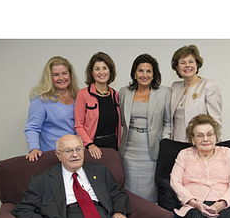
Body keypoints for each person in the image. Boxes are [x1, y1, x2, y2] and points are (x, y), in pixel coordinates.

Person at [11, 134, 139, 218]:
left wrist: (118, 211)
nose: (75, 155)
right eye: (68, 151)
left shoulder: (100, 171)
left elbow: (117, 194)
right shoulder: (42, 180)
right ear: (58, 155)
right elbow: (23, 209)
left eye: (79, 149)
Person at [170, 114, 230, 218]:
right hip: (194, 205)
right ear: (193, 140)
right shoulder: (184, 154)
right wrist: (195, 203)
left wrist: (222, 203)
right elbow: (174, 181)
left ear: (216, 137)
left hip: (226, 203)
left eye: (209, 134)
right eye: (200, 135)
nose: (205, 139)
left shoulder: (227, 153)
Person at [119, 54, 171, 203]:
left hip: (152, 151)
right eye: (140, 71)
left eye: (148, 71)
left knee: (150, 192)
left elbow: (168, 122)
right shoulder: (124, 92)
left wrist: (163, 143)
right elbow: (122, 121)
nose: (144, 75)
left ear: (154, 74)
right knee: (129, 190)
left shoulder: (164, 93)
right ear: (134, 73)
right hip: (129, 150)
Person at [25, 56, 79, 161]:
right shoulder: (41, 99)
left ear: (70, 75)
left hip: (77, 155)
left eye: (64, 73)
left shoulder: (79, 96)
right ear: (49, 77)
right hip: (54, 156)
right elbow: (32, 128)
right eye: (56, 75)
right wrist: (34, 148)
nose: (61, 78)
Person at [74, 52, 121, 160]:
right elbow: (78, 125)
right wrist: (90, 145)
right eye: (97, 69)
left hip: (113, 149)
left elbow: (122, 122)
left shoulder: (116, 95)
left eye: (104, 68)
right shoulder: (83, 94)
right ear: (91, 72)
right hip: (92, 149)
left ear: (110, 71)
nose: (101, 72)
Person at [170, 45, 222, 141]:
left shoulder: (210, 86)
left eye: (191, 61)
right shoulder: (175, 87)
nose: (187, 65)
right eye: (182, 63)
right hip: (176, 144)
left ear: (197, 64)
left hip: (200, 145)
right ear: (177, 67)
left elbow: (215, 123)